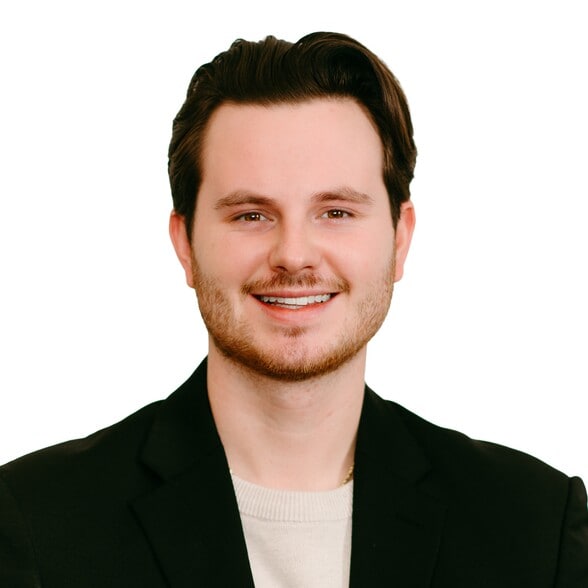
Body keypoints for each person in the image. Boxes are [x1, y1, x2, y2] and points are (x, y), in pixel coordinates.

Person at [0, 31, 586, 587]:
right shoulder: (34, 519)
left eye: (336, 212)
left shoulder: (534, 526)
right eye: (251, 214)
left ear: (400, 238)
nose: (294, 255)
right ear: (185, 244)